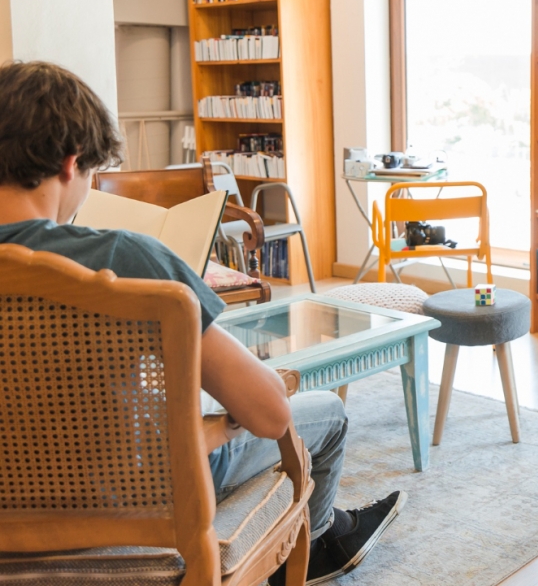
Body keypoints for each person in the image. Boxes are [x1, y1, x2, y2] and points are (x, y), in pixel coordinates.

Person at [0, 60, 404, 586]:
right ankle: (321, 545)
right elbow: (267, 414)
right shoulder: (125, 257)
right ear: (70, 163)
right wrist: (227, 418)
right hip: (134, 493)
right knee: (323, 412)